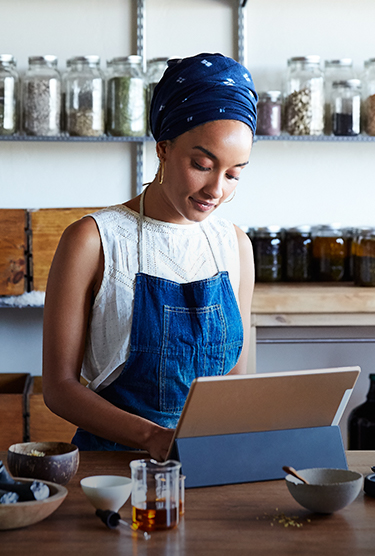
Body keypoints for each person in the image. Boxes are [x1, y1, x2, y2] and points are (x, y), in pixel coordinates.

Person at [42, 52, 258, 461]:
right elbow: (59, 389)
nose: (216, 189)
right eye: (202, 164)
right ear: (163, 149)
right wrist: (154, 438)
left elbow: (234, 380)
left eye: (233, 175)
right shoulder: (92, 240)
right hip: (109, 466)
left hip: (204, 461)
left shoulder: (235, 245)